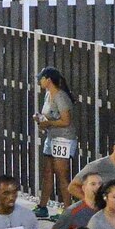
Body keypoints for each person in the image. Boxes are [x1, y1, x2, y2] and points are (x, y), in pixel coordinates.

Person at [36, 67, 77, 214]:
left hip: (64, 139)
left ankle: (67, 210)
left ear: (48, 80)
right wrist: (42, 120)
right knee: (47, 172)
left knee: (62, 175)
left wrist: (48, 123)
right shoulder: (48, 94)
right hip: (51, 136)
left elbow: (66, 121)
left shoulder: (61, 97)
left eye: (41, 78)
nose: (39, 81)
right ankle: (42, 206)